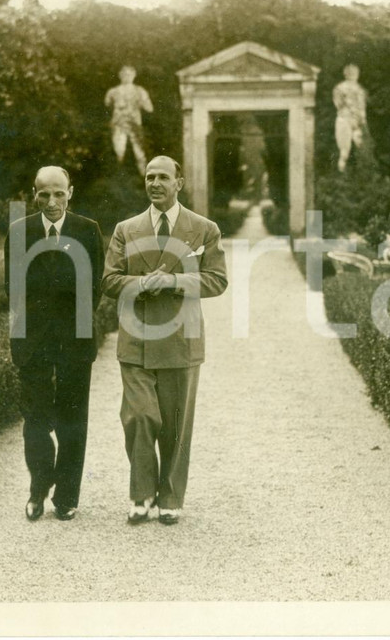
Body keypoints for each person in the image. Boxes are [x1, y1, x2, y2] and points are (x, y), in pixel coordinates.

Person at [101, 156, 228, 525]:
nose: (155, 183)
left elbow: (217, 280)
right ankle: (141, 494)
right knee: (139, 416)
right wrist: (140, 283)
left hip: (180, 338)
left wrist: (174, 281)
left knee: (175, 424)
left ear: (179, 183)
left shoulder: (204, 229)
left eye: (163, 177)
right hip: (137, 338)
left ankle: (170, 497)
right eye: (149, 177)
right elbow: (109, 280)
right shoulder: (127, 229)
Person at [3, 166, 105, 522]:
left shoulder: (87, 230)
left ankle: (66, 497)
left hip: (75, 339)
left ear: (70, 193)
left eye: (59, 193)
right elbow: (12, 288)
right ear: (34, 194)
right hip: (33, 341)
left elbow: (95, 288)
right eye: (44, 194)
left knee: (73, 420)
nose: (52, 201)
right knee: (35, 420)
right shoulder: (20, 231)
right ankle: (38, 489)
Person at [104, 65, 154, 174]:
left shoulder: (139, 91)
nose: (127, 76)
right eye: (124, 74)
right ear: (120, 76)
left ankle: (144, 177)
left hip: (134, 124)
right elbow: (106, 104)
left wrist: (141, 102)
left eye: (129, 74)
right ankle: (117, 177)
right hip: (119, 123)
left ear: (134, 75)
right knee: (118, 151)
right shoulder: (113, 91)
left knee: (139, 153)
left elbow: (150, 108)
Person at [332, 64, 368, 172]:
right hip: (348, 119)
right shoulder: (356, 89)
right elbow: (339, 104)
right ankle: (343, 172)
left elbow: (339, 104)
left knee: (355, 149)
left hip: (351, 119)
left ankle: (352, 171)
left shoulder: (357, 89)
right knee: (346, 151)